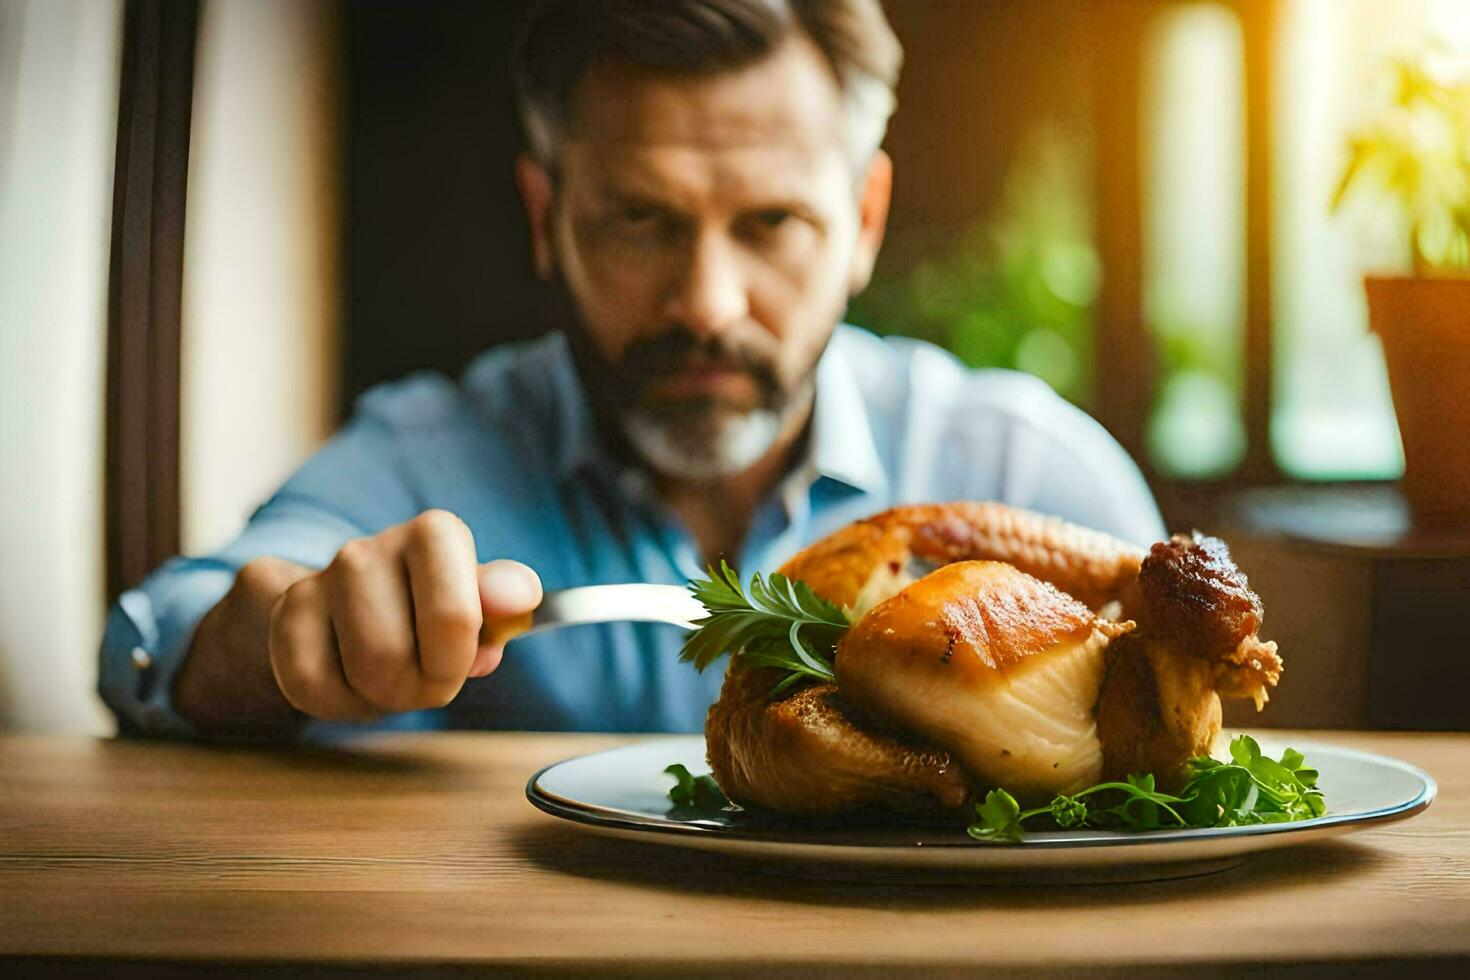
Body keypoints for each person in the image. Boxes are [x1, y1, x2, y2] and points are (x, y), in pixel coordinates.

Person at [99, 0, 1164, 741]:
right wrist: (277, 648)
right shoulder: (431, 458)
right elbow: (162, 639)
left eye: (773, 222)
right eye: (639, 220)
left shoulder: (1027, 473)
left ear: (864, 222)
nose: (706, 301)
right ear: (546, 217)